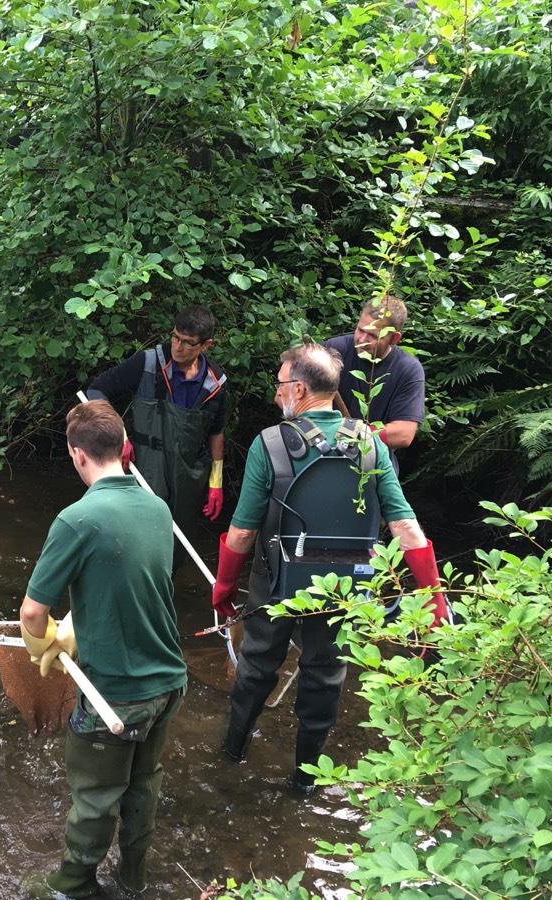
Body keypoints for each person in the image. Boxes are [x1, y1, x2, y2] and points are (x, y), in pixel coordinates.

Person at [210, 342, 449, 794]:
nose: (277, 393)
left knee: (257, 668)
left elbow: (241, 534)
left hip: (277, 584)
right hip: (344, 588)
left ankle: (232, 756)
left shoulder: (270, 444)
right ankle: (305, 782)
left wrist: (223, 592)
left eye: (280, 384)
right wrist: (434, 600)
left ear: (298, 389)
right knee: (325, 675)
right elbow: (406, 528)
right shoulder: (371, 445)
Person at [19, 399, 187, 899]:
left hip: (115, 694)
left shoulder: (77, 519)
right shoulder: (157, 507)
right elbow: (128, 587)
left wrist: (40, 644)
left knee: (94, 797)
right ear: (123, 449)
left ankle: (73, 884)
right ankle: (134, 876)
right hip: (169, 682)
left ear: (77, 455)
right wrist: (75, 628)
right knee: (143, 783)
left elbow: (31, 613)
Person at [85, 305, 228, 567]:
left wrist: (216, 483)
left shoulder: (215, 382)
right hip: (144, 470)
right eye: (175, 337)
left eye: (187, 343)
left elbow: (216, 432)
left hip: (187, 478)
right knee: (131, 543)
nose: (178, 347)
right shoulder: (147, 363)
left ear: (205, 345)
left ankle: (162, 597)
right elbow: (96, 391)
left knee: (174, 549)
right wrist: (121, 437)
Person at [323, 295, 425, 457]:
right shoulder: (334, 350)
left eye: (372, 336)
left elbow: (403, 434)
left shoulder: (408, 369)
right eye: (360, 330)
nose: (362, 340)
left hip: (374, 464)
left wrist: (352, 434)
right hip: (324, 454)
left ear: (394, 338)